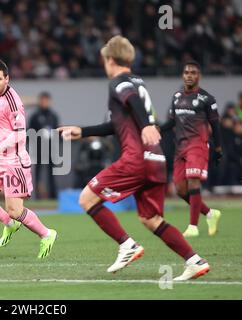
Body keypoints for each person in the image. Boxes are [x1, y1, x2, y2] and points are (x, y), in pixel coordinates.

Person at [58, 35, 209, 281]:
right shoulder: (138, 81)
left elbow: (132, 100)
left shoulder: (119, 82)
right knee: (151, 219)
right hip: (156, 158)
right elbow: (116, 124)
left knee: (87, 198)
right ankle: (194, 261)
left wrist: (147, 125)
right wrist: (83, 131)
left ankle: (126, 245)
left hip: (136, 158)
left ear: (110, 59)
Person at [0, 59, 57, 259]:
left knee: (15, 210)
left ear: (7, 79)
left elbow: (20, 134)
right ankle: (9, 223)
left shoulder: (13, 101)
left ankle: (47, 234)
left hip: (13, 162)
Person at [160, 61, 222, 237]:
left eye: (193, 72)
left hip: (198, 145)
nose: (189, 75)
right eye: (186, 72)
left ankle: (193, 226)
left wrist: (218, 148)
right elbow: (172, 121)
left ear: (199, 76)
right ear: (182, 75)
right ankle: (210, 214)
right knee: (180, 190)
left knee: (193, 180)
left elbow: (215, 125)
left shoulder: (207, 99)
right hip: (180, 148)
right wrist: (157, 129)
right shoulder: (177, 96)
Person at [28, 91, 59, 199]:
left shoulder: (53, 116)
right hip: (39, 147)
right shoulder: (35, 116)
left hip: (51, 148)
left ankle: (53, 195)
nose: (44, 102)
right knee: (38, 172)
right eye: (43, 100)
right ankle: (37, 195)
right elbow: (30, 132)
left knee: (52, 173)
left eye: (46, 100)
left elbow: (57, 131)